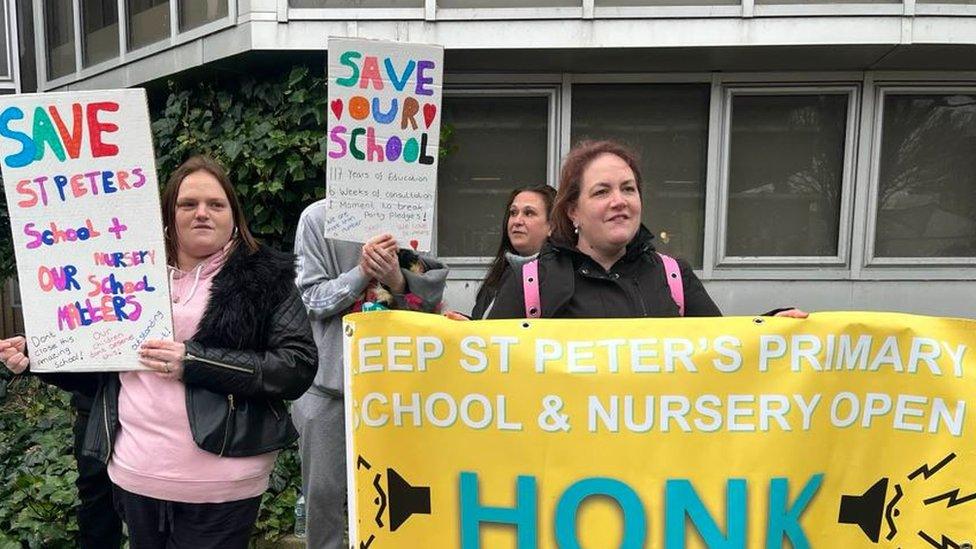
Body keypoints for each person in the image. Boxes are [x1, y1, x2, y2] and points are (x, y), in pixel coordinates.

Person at [2, 155, 317, 548]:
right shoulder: (125, 273)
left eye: (216, 204)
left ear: (234, 216)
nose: (202, 213)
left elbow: (296, 367)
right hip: (135, 474)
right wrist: (41, 356)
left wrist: (193, 360)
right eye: (188, 204)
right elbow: (101, 369)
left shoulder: (266, 276)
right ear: (168, 214)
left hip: (222, 482)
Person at [487, 140, 807, 320]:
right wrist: (457, 337)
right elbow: (490, 368)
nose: (619, 201)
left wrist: (771, 331)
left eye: (628, 189)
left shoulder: (674, 276)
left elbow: (722, 353)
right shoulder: (531, 283)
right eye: (601, 192)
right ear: (573, 211)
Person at [292, 203, 448, 549]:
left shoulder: (411, 213)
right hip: (326, 387)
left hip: (399, 391)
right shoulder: (316, 218)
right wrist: (361, 273)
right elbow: (310, 300)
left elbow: (432, 306)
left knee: (399, 496)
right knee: (322, 499)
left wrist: (397, 279)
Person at [0, 346, 122, 549]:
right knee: (98, 509)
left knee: (162, 512)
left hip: (169, 421)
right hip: (95, 411)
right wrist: (36, 352)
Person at [471, 185, 556, 319]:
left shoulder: (562, 278)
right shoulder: (500, 273)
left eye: (529, 213)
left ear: (552, 226)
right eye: (513, 213)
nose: (517, 221)